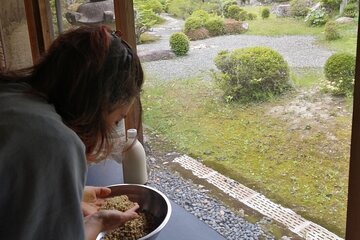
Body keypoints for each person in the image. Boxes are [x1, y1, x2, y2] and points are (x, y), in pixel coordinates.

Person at [0, 25, 144, 239]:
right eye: (116, 121)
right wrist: (98, 222)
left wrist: (68, 196)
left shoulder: (11, 94)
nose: (113, 130)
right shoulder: (54, 143)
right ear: (97, 105)